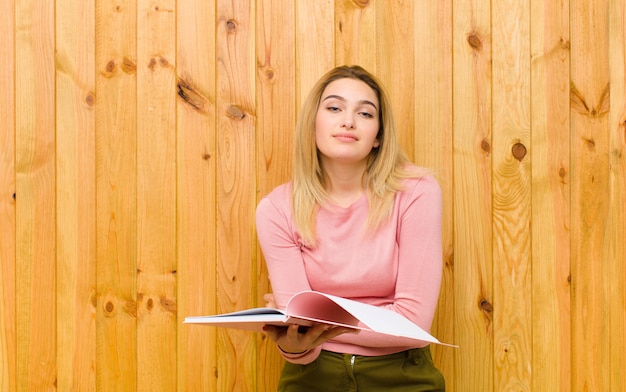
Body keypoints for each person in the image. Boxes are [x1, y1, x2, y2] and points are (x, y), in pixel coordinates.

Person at [255, 65, 445, 391]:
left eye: (365, 113)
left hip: (402, 375)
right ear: (313, 123)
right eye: (334, 108)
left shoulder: (417, 191)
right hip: (313, 376)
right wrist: (294, 344)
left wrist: (320, 319)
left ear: (378, 136)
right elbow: (299, 336)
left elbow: (412, 324)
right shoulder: (276, 209)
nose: (348, 121)